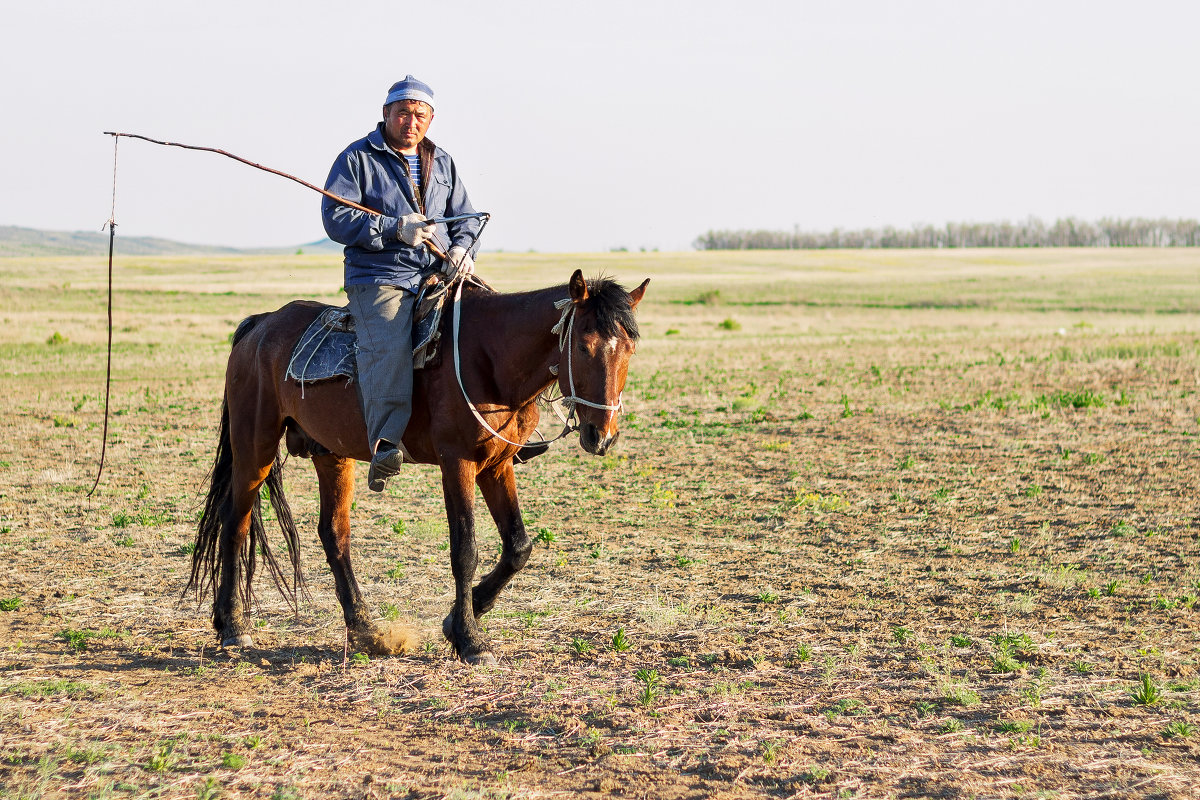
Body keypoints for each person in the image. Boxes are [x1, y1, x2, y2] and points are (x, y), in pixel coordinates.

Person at [322, 75, 483, 492]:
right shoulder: (357, 159)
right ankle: (386, 443)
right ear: (386, 114)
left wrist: (465, 250)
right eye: (404, 113)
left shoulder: (442, 161)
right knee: (388, 343)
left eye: (420, 115)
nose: (412, 122)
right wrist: (393, 229)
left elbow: (464, 218)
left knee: (492, 323)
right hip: (381, 277)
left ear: (431, 119)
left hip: (440, 270)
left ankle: (502, 432)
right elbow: (335, 218)